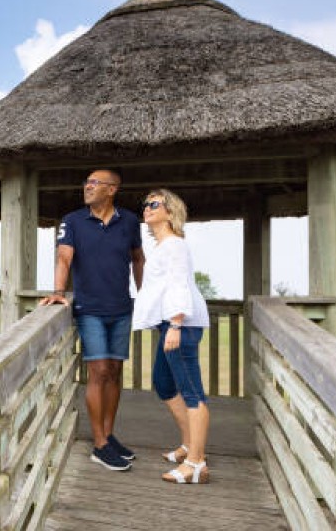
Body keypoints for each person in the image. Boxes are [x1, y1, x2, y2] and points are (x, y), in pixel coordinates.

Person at [40, 169, 145, 471]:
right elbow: (63, 258)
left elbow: (138, 258)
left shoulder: (129, 221)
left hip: (122, 308)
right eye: (86, 182)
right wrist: (60, 291)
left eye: (95, 183)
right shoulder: (72, 221)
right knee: (98, 370)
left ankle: (109, 436)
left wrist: (146, 295)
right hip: (89, 308)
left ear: (112, 189)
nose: (87, 186)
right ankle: (99, 445)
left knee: (114, 371)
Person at [131, 188, 212, 484]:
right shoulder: (164, 246)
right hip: (171, 323)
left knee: (192, 393)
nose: (147, 208)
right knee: (164, 384)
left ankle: (197, 463)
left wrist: (176, 324)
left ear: (170, 210)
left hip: (182, 324)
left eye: (154, 203)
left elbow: (178, 284)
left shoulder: (175, 245)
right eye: (146, 204)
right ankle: (191, 445)